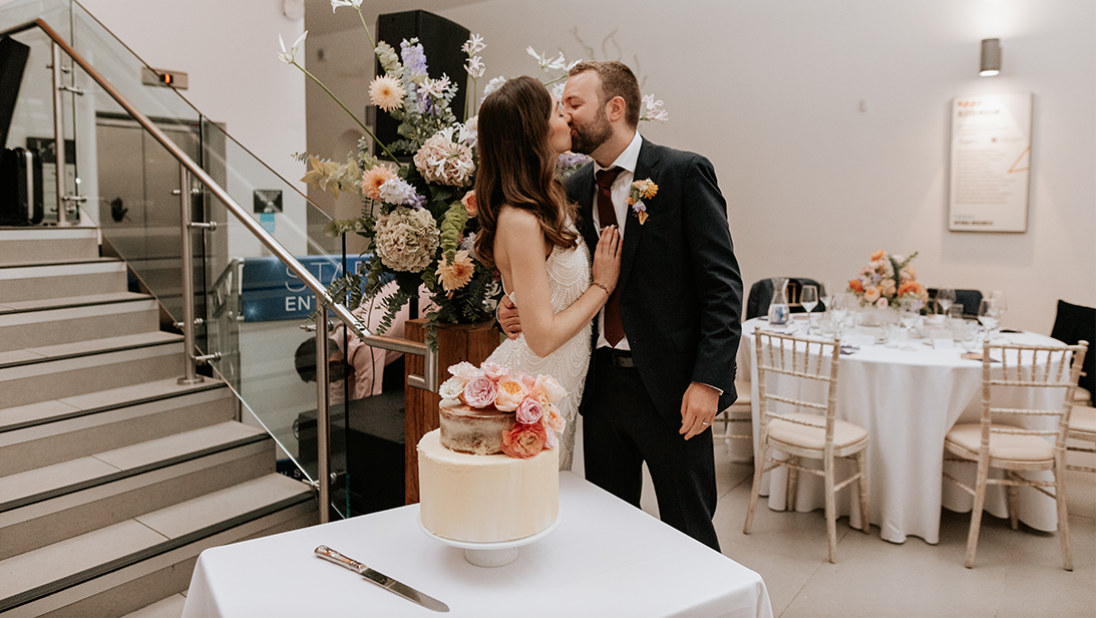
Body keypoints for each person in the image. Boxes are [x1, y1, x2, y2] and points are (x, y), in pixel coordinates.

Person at [499, 61, 743, 551]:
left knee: (690, 529)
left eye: (574, 104)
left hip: (675, 387)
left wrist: (708, 379)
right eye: (560, 106)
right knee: (608, 530)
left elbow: (723, 287)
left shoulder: (681, 172)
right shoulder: (570, 191)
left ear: (615, 108)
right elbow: (546, 279)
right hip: (601, 386)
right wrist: (508, 312)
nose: (565, 116)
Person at [474, 75, 623, 471]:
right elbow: (540, 339)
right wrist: (602, 287)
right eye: (559, 111)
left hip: (557, 390)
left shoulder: (552, 198)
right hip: (527, 391)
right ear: (534, 131)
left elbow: (539, 294)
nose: (568, 118)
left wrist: (510, 306)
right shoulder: (520, 219)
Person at [294, 281, 410, 403]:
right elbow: (338, 398)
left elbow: (369, 403)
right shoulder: (338, 346)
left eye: (329, 380)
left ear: (332, 363)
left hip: (427, 307)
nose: (331, 382)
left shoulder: (363, 343)